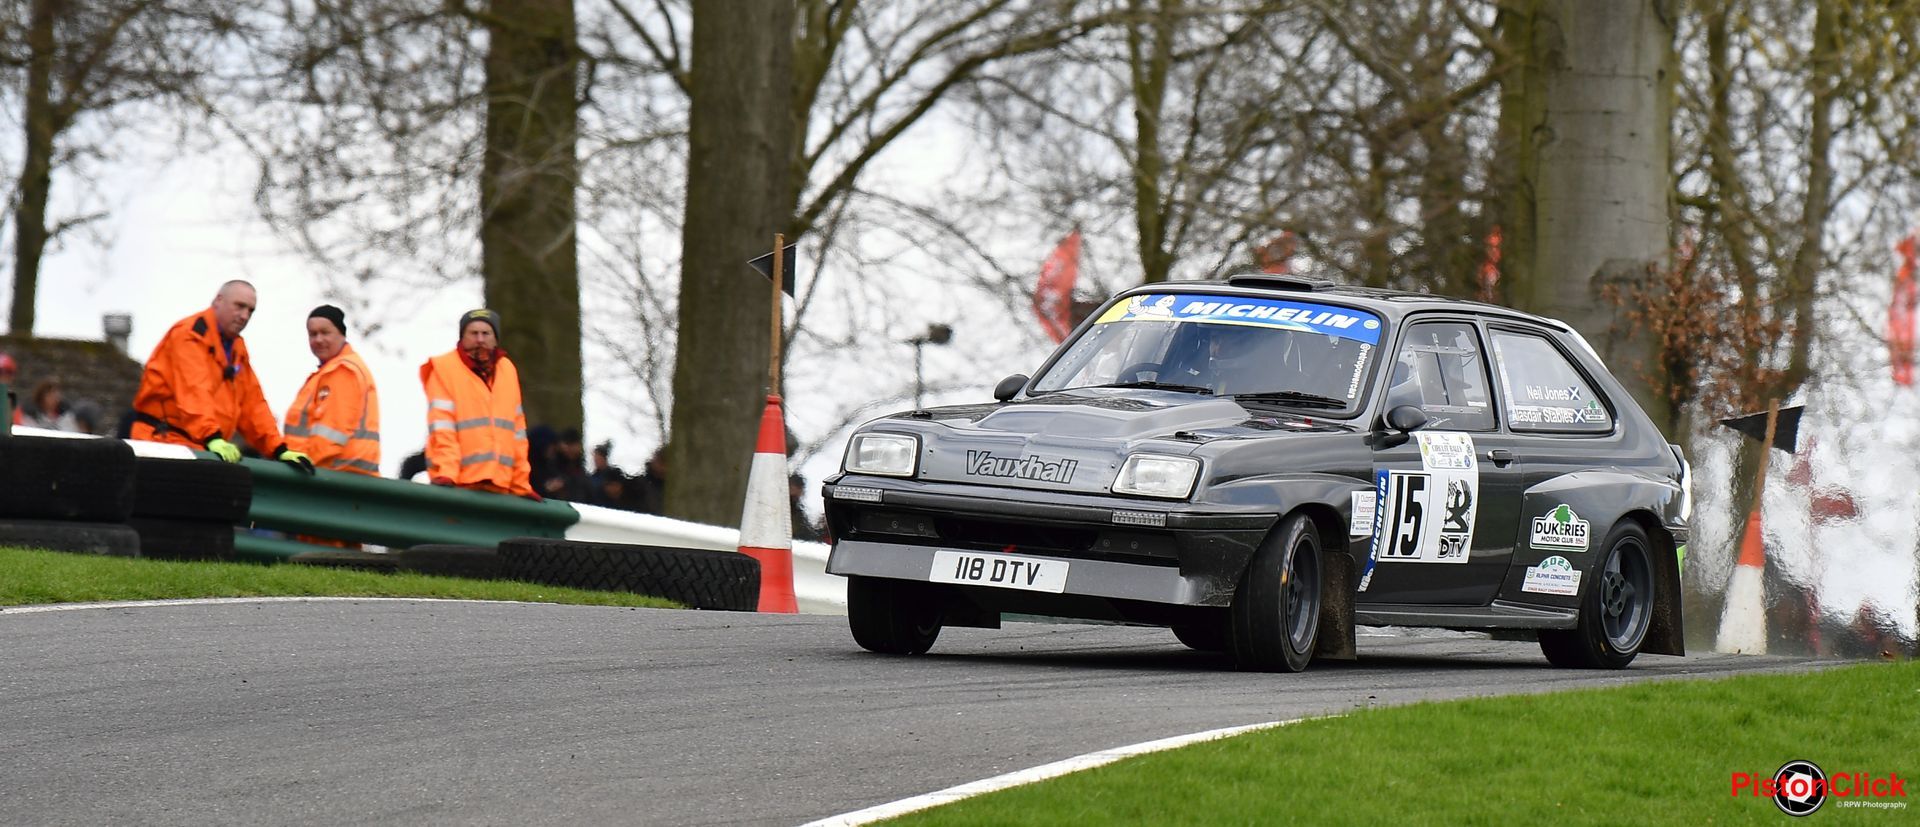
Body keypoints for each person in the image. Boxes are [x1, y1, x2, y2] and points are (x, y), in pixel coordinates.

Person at [129, 280, 313, 472]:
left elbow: (253, 404)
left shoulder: (235, 349)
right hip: (163, 442)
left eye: (250, 311)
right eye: (239, 306)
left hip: (197, 445)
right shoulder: (190, 335)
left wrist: (278, 448)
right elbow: (194, 390)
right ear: (218, 300)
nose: (244, 316)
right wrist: (212, 437)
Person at [420, 308, 536, 499]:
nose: (480, 339)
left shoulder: (507, 370)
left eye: (486, 333)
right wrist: (447, 474)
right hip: (459, 484)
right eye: (474, 333)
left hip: (501, 485)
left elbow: (517, 432)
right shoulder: (444, 369)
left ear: (495, 338)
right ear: (462, 337)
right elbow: (443, 429)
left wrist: (521, 484)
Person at [283, 305, 381, 475]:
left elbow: (331, 437)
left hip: (335, 476)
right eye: (313, 334)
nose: (318, 339)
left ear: (341, 334)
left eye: (325, 332)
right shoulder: (328, 372)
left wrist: (300, 464)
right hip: (330, 473)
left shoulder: (343, 372)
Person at [0, 352, 21, 427]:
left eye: (9, 372)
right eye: (1, 372)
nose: (4, 376)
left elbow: (17, 424)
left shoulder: (11, 398)